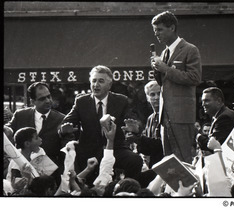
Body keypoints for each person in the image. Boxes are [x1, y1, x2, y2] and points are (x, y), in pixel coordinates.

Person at [59, 65, 143, 186]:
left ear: (109, 85)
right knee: (80, 169)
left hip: (115, 148)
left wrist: (135, 128)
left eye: (101, 81)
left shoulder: (121, 100)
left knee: (135, 160)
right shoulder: (81, 101)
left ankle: (126, 189)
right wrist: (64, 129)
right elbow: (66, 122)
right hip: (89, 149)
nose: (96, 84)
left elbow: (133, 120)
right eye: (93, 81)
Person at [150, 11, 202, 163]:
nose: (156, 34)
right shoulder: (165, 52)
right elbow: (164, 83)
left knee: (183, 158)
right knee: (169, 161)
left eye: (160, 30)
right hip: (165, 115)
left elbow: (194, 78)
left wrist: (165, 69)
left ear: (172, 28)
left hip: (181, 115)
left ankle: (187, 187)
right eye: (155, 31)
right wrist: (157, 70)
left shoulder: (190, 49)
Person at [6, 82, 66, 166]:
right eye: (42, 99)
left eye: (49, 96)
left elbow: (65, 149)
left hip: (51, 171)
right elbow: (7, 133)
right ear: (32, 101)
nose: (48, 101)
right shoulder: (20, 116)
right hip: (23, 167)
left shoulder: (61, 119)